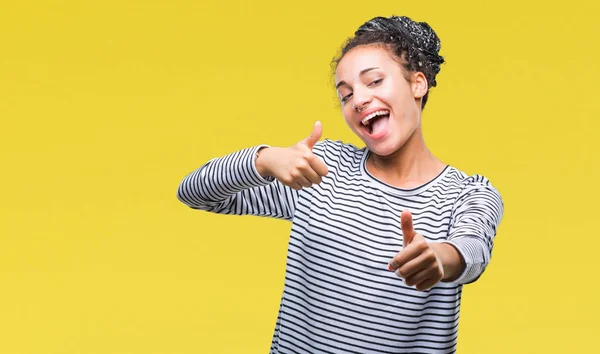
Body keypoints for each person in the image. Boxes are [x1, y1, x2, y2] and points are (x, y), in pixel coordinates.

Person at [177, 15, 504, 354]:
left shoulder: (468, 193)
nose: (358, 100)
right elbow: (195, 193)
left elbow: (473, 250)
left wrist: (440, 258)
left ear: (417, 84)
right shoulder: (323, 168)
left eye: (374, 82)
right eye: (346, 95)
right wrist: (263, 159)